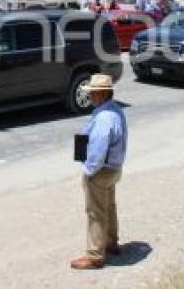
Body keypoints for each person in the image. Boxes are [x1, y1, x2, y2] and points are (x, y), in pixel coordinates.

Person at [70, 74, 128, 270]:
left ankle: (95, 255)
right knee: (109, 207)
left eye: (93, 93)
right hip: (114, 168)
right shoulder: (116, 110)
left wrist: (88, 171)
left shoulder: (103, 117)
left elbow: (98, 149)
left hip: (101, 170)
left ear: (102, 94)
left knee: (95, 212)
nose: (91, 97)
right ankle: (111, 243)